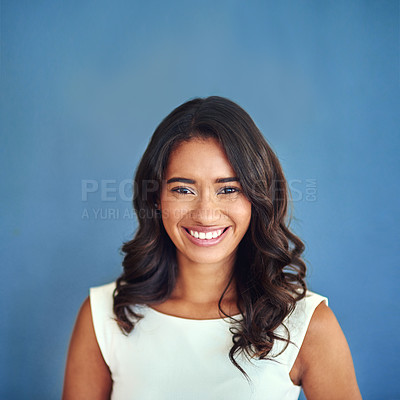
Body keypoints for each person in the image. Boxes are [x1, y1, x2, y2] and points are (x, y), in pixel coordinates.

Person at [62, 96, 362, 400]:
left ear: (257, 199)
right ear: (156, 198)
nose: (206, 214)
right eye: (183, 189)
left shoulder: (307, 325)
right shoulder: (104, 317)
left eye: (229, 189)